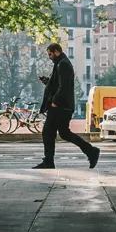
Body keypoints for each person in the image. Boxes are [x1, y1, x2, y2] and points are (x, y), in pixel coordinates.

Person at [33, 42, 100, 170]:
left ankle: (49, 161)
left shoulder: (63, 64)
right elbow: (58, 83)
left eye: (50, 54)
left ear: (56, 51)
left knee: (48, 132)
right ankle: (91, 151)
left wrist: (55, 101)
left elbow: (63, 86)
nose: (49, 57)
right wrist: (47, 81)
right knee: (61, 133)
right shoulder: (61, 63)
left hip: (60, 106)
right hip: (62, 106)